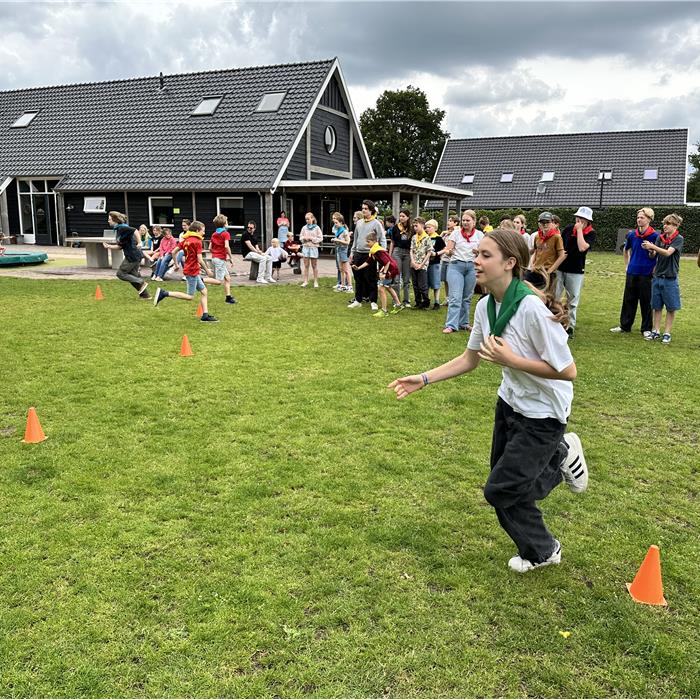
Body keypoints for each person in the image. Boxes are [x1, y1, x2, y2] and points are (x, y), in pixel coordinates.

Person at [389, 227, 588, 574]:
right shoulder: (484, 306)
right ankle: (543, 551)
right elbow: (470, 360)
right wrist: (422, 379)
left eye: (484, 255)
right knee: (505, 488)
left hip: (544, 414)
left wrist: (513, 361)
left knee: (500, 491)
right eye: (476, 254)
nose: (475, 261)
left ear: (510, 263)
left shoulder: (531, 309)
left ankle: (560, 457)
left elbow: (568, 370)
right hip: (510, 405)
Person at [153, 220, 218, 322]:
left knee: (204, 291)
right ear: (197, 230)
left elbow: (174, 252)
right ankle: (164, 293)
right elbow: (200, 259)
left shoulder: (186, 240)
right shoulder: (197, 242)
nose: (204, 233)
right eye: (203, 231)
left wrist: (176, 264)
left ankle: (205, 315)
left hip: (191, 270)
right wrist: (207, 271)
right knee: (189, 296)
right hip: (192, 271)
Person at [610, 207, 659, 337]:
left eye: (642, 217)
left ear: (649, 219)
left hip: (647, 273)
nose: (639, 219)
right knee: (628, 300)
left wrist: (652, 252)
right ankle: (625, 326)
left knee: (646, 301)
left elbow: (657, 254)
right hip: (632, 272)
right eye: (638, 217)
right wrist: (627, 266)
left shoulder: (655, 236)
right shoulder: (632, 234)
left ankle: (646, 329)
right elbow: (626, 250)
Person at [642, 213, 684, 344]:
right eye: (664, 223)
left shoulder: (678, 239)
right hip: (657, 277)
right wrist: (650, 250)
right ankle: (656, 331)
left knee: (671, 308)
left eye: (668, 224)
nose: (665, 226)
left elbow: (667, 253)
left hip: (670, 278)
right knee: (657, 306)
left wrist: (653, 247)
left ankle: (667, 333)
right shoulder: (660, 238)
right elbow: (654, 256)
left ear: (676, 226)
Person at [556, 206, 596, 339]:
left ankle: (570, 326)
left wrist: (579, 232)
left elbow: (582, 247)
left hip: (576, 270)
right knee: (555, 296)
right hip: (561, 267)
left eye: (582, 220)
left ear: (588, 221)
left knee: (572, 299)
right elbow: (560, 245)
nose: (579, 221)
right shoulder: (568, 229)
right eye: (578, 218)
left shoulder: (590, 233)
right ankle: (554, 322)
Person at [443, 209, 483, 333]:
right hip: (456, 266)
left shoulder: (480, 235)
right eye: (463, 220)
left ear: (474, 222)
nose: (465, 223)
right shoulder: (455, 234)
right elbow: (447, 250)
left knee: (467, 297)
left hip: (472, 266)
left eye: (468, 220)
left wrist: (478, 252)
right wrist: (450, 252)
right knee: (455, 296)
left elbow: (484, 251)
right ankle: (451, 325)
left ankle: (464, 323)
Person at [352, 230, 403, 317]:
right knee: (388, 287)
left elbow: (387, 262)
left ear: (374, 241)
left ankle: (384, 311)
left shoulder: (378, 251)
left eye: (368, 242)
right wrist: (358, 268)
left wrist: (384, 273)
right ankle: (398, 305)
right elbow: (368, 262)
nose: (367, 244)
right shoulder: (374, 251)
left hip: (390, 269)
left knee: (381, 288)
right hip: (392, 269)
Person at [102, 211, 150, 299]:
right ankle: (145, 295)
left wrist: (140, 242)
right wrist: (109, 246)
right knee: (133, 276)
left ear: (115, 220)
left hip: (132, 256)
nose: (108, 221)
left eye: (109, 219)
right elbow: (121, 246)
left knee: (121, 274)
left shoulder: (122, 228)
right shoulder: (119, 230)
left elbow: (135, 230)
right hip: (134, 255)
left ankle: (141, 282)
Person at [348, 200, 386, 311]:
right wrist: (352, 253)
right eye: (362, 208)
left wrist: (382, 254)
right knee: (358, 278)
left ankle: (373, 301)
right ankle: (358, 300)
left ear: (371, 210)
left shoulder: (376, 223)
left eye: (366, 209)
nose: (363, 210)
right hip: (358, 254)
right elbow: (355, 239)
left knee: (370, 279)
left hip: (371, 254)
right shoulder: (359, 223)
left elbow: (382, 239)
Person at [526, 211, 566, 291]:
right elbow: (536, 251)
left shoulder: (556, 237)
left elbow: (562, 255)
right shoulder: (537, 236)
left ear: (552, 223)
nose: (545, 224)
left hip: (548, 271)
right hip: (536, 270)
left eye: (547, 222)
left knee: (547, 297)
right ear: (539, 224)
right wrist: (532, 264)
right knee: (531, 292)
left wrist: (551, 270)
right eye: (542, 222)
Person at [210, 214, 237, 304]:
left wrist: (215, 253)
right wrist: (231, 257)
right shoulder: (226, 233)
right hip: (220, 259)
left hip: (215, 258)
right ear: (225, 223)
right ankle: (201, 280)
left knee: (227, 278)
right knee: (218, 281)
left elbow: (210, 247)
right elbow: (226, 246)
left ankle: (228, 298)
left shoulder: (214, 234)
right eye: (227, 222)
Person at [389, 209, 413, 307]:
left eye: (403, 216)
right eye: (400, 216)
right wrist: (390, 256)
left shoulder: (411, 228)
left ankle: (406, 300)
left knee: (406, 278)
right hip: (397, 252)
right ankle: (396, 300)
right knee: (397, 278)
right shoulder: (395, 228)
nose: (401, 218)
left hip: (407, 253)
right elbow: (392, 242)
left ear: (408, 217)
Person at [409, 217, 433, 309]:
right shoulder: (414, 237)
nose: (415, 228)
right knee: (415, 284)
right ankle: (418, 302)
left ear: (422, 225)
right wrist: (413, 261)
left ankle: (426, 302)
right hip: (414, 263)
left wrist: (422, 264)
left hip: (422, 265)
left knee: (422, 285)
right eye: (414, 226)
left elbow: (429, 252)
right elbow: (411, 250)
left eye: (416, 226)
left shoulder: (427, 238)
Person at [299, 211, 323, 288]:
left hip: (313, 248)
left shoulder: (317, 228)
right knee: (306, 265)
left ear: (312, 218)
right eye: (306, 219)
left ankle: (315, 281)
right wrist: (304, 239)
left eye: (308, 219)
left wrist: (312, 239)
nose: (307, 221)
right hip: (305, 248)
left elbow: (320, 238)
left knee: (314, 265)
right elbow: (300, 237)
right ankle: (305, 281)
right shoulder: (304, 227)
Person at [425, 218, 445, 309]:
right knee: (426, 283)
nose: (427, 229)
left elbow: (444, 249)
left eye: (429, 227)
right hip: (426, 263)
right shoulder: (425, 238)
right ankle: (426, 300)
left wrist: (437, 254)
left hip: (435, 263)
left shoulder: (438, 238)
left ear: (435, 228)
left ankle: (436, 302)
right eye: (426, 227)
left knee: (435, 283)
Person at [331, 212, 353, 292]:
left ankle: (350, 286)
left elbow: (347, 242)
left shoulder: (344, 231)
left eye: (336, 223)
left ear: (341, 222)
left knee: (346, 270)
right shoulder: (338, 230)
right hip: (339, 250)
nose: (335, 224)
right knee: (341, 269)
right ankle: (343, 286)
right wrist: (335, 241)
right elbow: (340, 240)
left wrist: (337, 240)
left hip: (343, 251)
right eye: (334, 223)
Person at [440, 215, 459, 300]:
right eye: (448, 220)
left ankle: (453, 298)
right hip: (444, 259)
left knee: (451, 280)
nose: (448, 222)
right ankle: (447, 298)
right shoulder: (445, 233)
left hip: (452, 260)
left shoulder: (458, 232)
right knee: (445, 280)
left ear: (456, 223)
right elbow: (439, 243)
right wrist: (442, 234)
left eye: (451, 221)